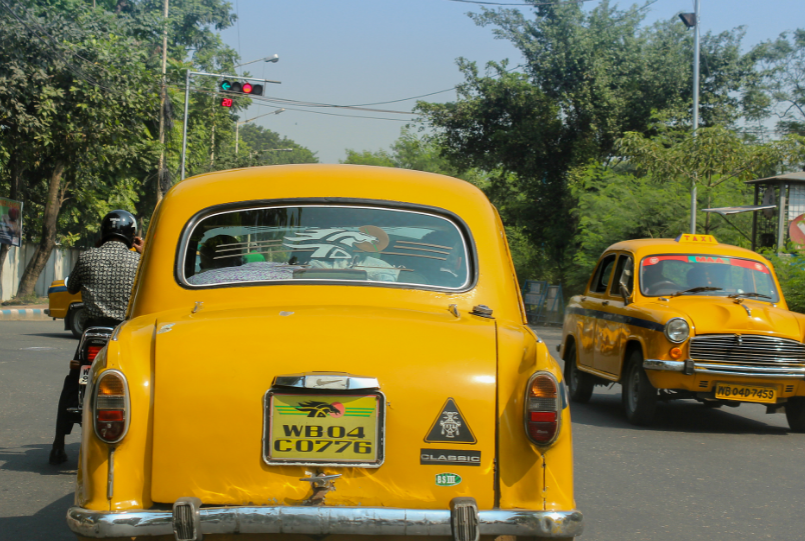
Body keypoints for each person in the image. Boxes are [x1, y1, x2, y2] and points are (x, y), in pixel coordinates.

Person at [49, 210, 143, 465]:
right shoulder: (139, 262)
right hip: (123, 332)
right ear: (132, 236)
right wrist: (144, 252)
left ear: (102, 233)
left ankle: (58, 444)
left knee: (71, 382)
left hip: (91, 332)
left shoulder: (87, 256)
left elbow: (71, 288)